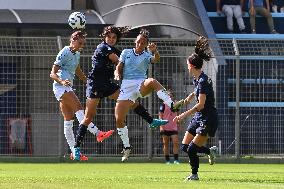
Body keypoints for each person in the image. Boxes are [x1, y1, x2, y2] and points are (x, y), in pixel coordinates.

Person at [73, 26, 169, 161]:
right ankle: (76, 148)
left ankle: (151, 121)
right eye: (109, 37)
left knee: (130, 101)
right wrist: (127, 63)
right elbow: (118, 60)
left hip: (107, 85)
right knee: (88, 117)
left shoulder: (115, 49)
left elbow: (125, 57)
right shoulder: (103, 47)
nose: (111, 40)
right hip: (95, 84)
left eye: (114, 38)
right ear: (104, 38)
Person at [115, 29, 184, 162]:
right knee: (119, 120)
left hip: (141, 84)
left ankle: (171, 104)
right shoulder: (126, 52)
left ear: (146, 44)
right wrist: (117, 73)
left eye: (143, 42)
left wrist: (155, 51)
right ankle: (127, 147)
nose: (140, 43)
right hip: (126, 87)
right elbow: (119, 66)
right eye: (138, 41)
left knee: (152, 81)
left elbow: (156, 59)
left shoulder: (147, 55)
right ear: (135, 41)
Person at [50, 30, 114, 161]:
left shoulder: (77, 53)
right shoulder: (64, 52)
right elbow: (52, 73)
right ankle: (98, 133)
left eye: (83, 44)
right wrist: (62, 81)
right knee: (79, 107)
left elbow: (77, 69)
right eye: (80, 43)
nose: (81, 46)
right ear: (73, 40)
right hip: (61, 87)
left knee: (68, 120)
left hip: (67, 86)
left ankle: (74, 152)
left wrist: (87, 80)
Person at [173, 36, 218, 181]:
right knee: (185, 147)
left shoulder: (203, 81)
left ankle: (194, 175)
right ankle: (209, 152)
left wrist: (182, 115)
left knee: (192, 149)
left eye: (187, 64)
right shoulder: (198, 78)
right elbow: (197, 90)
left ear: (191, 65)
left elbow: (201, 105)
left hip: (207, 117)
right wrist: (189, 97)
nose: (187, 66)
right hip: (199, 117)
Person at [159, 90, 180, 164]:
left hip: (174, 127)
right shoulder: (163, 105)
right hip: (165, 127)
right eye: (168, 96)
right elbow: (160, 116)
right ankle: (167, 160)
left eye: (171, 96)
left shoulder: (175, 104)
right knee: (166, 144)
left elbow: (178, 115)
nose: (169, 97)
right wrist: (161, 126)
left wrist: (178, 124)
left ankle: (176, 160)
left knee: (175, 143)